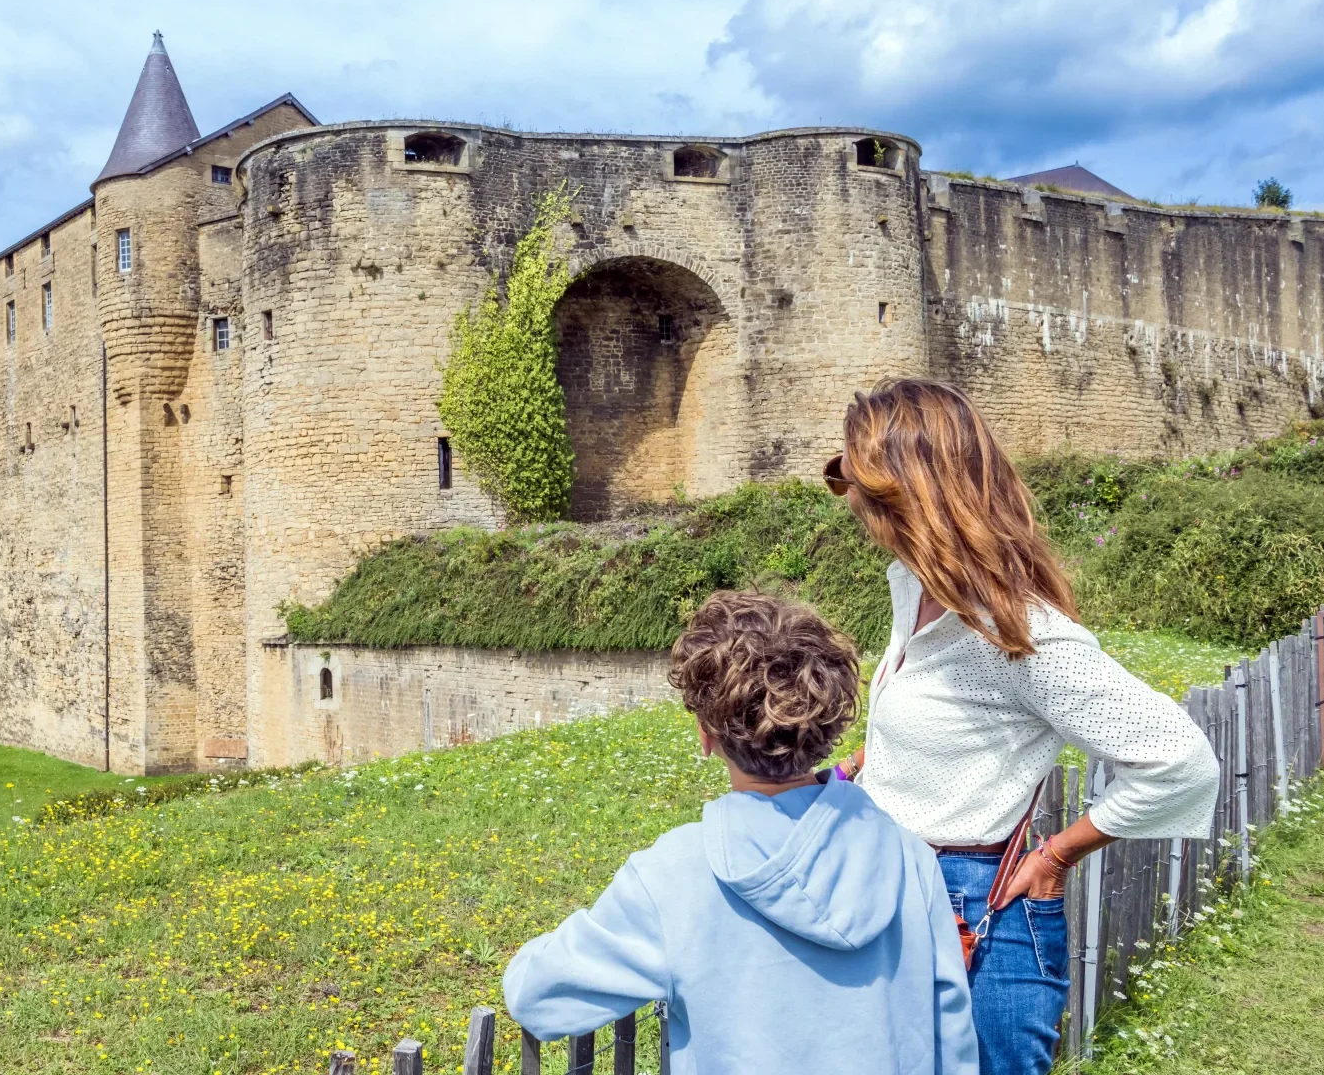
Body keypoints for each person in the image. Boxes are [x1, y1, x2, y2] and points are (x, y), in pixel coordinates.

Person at [824, 379, 1220, 1075]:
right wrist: (872, 762)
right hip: (897, 888)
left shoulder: (1017, 631)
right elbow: (961, 724)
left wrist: (1057, 853)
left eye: (852, 478)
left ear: (905, 491)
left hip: (976, 908)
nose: (846, 498)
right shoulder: (916, 591)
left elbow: (1178, 759)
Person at [504, 591, 977, 1075]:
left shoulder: (671, 877)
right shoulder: (907, 856)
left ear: (706, 735)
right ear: (829, 725)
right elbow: (952, 1030)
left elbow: (538, 998)